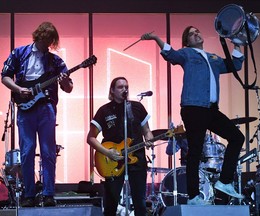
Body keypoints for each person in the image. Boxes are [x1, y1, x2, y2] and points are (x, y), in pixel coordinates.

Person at [141, 26, 245, 205]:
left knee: (237, 137)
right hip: (193, 107)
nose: (196, 34)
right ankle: (194, 196)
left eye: (198, 31)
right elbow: (171, 55)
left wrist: (237, 45)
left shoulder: (213, 58)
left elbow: (235, 65)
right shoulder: (187, 53)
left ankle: (225, 181)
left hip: (211, 109)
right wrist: (156, 38)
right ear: (187, 41)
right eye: (191, 33)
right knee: (195, 150)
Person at [1, 22, 73, 207]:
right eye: (45, 39)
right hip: (25, 108)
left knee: (48, 151)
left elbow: (69, 88)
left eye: (51, 41)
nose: (48, 44)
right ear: (38, 36)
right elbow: (5, 76)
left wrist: (64, 82)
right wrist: (19, 89)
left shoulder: (55, 61)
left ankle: (49, 193)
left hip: (46, 107)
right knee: (27, 151)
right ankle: (29, 194)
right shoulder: (19, 53)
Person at [87, 77, 154, 216]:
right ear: (112, 90)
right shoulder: (104, 111)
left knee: (140, 202)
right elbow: (91, 138)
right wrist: (108, 152)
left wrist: (149, 138)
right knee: (111, 203)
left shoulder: (137, 107)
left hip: (137, 158)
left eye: (126, 87)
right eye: (120, 87)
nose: (125, 89)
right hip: (113, 160)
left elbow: (147, 131)